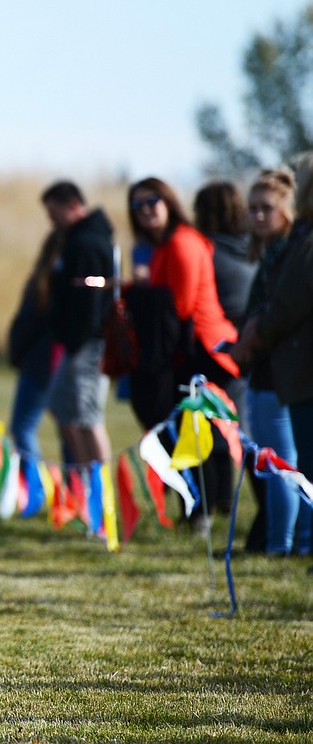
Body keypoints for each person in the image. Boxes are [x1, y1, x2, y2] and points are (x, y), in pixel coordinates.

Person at [128, 177, 241, 530]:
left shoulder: (182, 242)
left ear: (169, 201)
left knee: (191, 432)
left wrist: (136, 293)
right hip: (184, 351)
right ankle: (205, 509)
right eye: (137, 205)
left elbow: (179, 305)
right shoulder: (163, 246)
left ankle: (202, 513)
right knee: (187, 431)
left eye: (152, 201)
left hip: (204, 350)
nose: (145, 209)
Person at [234, 158, 313, 558]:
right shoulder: (270, 254)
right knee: (273, 462)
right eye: (252, 208)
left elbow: (284, 309)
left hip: (287, 370)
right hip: (264, 372)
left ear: (289, 209)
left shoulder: (297, 250)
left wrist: (256, 333)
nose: (258, 216)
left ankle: (289, 544)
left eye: (267, 208)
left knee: (286, 465)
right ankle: (283, 540)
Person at [42, 181, 114, 466]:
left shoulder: (87, 244)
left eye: (54, 212)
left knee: (88, 417)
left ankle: (100, 488)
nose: (51, 221)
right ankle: (83, 478)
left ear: (73, 206)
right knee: (63, 409)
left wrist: (82, 337)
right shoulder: (74, 240)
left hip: (89, 342)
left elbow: (93, 291)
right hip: (74, 344)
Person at [193, 181, 255, 428]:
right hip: (251, 340)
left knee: (220, 434)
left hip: (219, 348)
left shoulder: (207, 251)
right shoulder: (253, 248)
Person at [7, 223, 65, 463]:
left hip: (40, 363)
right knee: (67, 430)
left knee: (23, 426)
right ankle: (73, 484)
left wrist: (17, 351)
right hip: (56, 361)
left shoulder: (44, 282)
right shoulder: (58, 283)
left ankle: (35, 484)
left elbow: (25, 324)